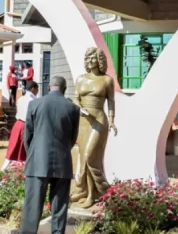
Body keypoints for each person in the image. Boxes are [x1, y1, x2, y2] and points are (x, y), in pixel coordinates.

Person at [20, 76, 80, 234]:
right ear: (64, 89)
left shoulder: (35, 104)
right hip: (63, 161)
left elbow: (27, 136)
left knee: (32, 207)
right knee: (60, 206)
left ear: (48, 88)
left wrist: (33, 153)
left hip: (38, 161)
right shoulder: (73, 108)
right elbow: (73, 138)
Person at [70, 47, 117, 209]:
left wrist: (111, 120)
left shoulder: (106, 80)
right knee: (84, 159)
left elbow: (111, 101)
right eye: (88, 58)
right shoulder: (80, 79)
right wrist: (80, 108)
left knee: (91, 156)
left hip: (99, 120)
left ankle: (96, 192)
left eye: (93, 58)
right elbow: (75, 98)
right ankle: (86, 190)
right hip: (83, 122)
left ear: (100, 61)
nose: (90, 62)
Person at [1, 80, 39, 171]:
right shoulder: (33, 100)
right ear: (33, 89)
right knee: (26, 149)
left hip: (17, 124)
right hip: (26, 125)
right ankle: (27, 171)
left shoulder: (21, 98)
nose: (37, 91)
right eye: (37, 89)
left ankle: (3, 169)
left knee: (12, 148)